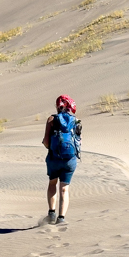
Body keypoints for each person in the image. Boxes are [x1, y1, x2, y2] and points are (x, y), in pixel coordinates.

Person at [42, 94, 81, 224]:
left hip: (54, 159)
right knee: (64, 188)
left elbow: (46, 141)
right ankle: (61, 218)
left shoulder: (51, 119)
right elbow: (78, 141)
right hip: (70, 160)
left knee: (52, 183)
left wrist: (52, 147)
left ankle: (51, 213)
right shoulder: (76, 121)